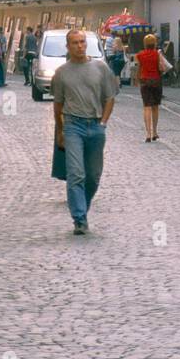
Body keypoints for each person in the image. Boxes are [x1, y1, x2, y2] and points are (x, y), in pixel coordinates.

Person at [52, 29, 118, 235]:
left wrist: (103, 123)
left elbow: (109, 98)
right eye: (75, 43)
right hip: (73, 125)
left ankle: (83, 206)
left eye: (82, 42)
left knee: (93, 176)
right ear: (68, 47)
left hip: (96, 125)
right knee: (76, 174)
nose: (80, 46)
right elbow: (58, 105)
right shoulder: (62, 73)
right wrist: (60, 131)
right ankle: (79, 218)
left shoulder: (100, 68)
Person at [134, 32, 170, 142]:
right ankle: (154, 131)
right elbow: (162, 67)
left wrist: (136, 79)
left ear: (144, 43)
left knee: (146, 107)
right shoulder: (157, 54)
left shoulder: (139, 55)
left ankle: (148, 134)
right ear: (154, 43)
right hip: (156, 81)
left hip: (145, 81)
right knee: (155, 107)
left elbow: (139, 68)